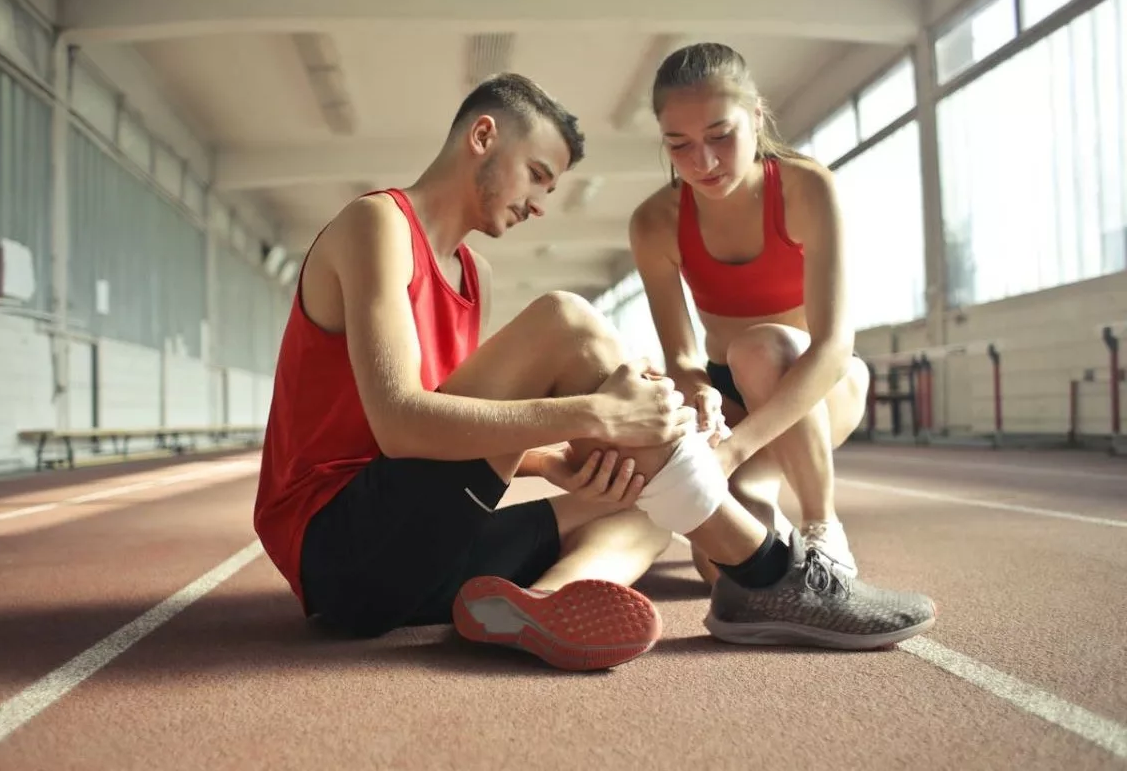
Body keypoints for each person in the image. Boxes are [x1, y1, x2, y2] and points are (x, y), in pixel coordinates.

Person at [253, 72, 936, 674]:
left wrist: (555, 461)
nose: (541, 204)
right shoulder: (377, 225)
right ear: (484, 137)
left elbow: (450, 436)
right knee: (564, 320)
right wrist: (595, 416)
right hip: (341, 553)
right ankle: (765, 570)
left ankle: (544, 603)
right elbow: (401, 426)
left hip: (414, 565)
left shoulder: (474, 275)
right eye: (538, 176)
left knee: (644, 499)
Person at [629, 42, 870, 582]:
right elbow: (684, 355)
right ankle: (763, 498)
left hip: (820, 384)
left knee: (762, 347)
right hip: (732, 396)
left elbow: (833, 348)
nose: (703, 162)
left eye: (720, 136)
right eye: (679, 145)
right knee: (723, 570)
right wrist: (699, 392)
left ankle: (821, 524)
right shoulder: (654, 223)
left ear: (756, 117)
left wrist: (734, 451)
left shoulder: (809, 188)